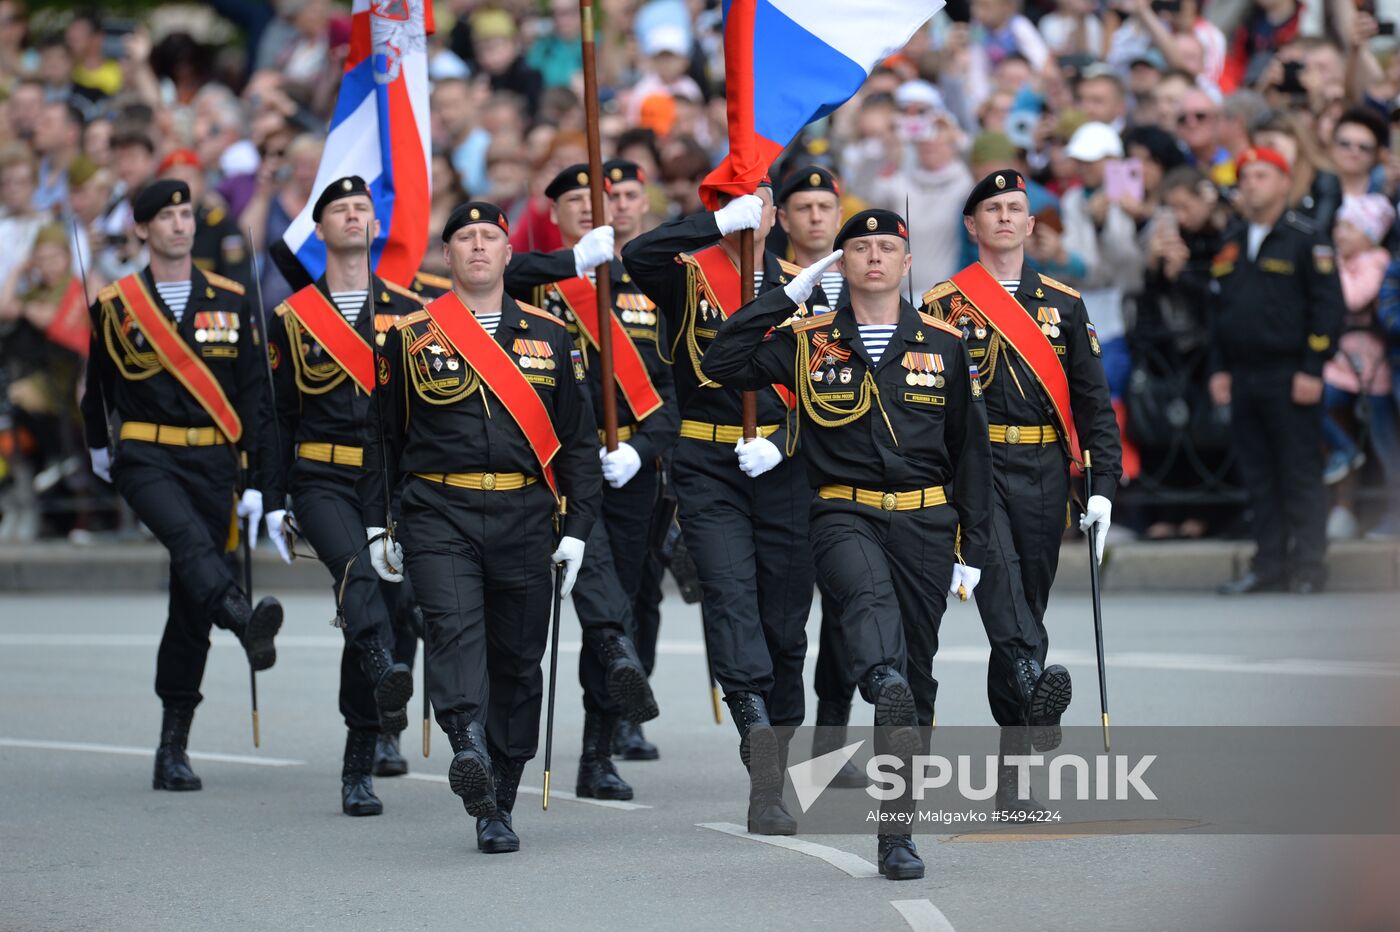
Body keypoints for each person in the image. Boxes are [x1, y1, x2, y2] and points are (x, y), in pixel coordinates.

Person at [703, 209, 991, 880]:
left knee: (917, 685)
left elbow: (969, 451)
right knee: (863, 604)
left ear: (907, 262)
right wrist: (784, 297)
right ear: (841, 262)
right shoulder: (809, 339)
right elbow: (722, 362)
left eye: (887, 247)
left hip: (923, 520)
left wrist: (973, 547)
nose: (873, 258)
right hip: (842, 511)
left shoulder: (944, 344)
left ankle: (897, 835)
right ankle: (877, 677)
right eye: (859, 247)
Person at [360, 201, 601, 855]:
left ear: (507, 253)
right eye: (463, 238)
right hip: (439, 509)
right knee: (452, 631)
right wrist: (378, 526)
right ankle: (469, 753)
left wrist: (577, 528)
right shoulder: (410, 335)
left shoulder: (551, 336)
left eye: (489, 237)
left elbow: (579, 444)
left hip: (526, 514)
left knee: (520, 662)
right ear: (447, 256)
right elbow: (383, 439)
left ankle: (502, 791)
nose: (476, 247)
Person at [621, 182, 815, 836]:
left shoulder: (800, 282)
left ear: (775, 214)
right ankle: (759, 753)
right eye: (737, 199)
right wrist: (711, 223)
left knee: (785, 623)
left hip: (782, 462)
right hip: (708, 463)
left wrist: (787, 441)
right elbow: (640, 256)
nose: (750, 213)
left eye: (757, 201)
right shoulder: (688, 275)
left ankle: (779, 760)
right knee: (731, 596)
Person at [921, 169, 1121, 798]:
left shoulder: (1063, 302)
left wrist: (1104, 486)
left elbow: (1094, 404)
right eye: (992, 208)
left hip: (1042, 472)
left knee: (1023, 609)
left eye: (1016, 208)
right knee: (1003, 592)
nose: (1005, 217)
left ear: (1032, 225)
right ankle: (1034, 685)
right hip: (976, 474)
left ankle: (1013, 776)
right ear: (972, 225)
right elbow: (927, 407)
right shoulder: (942, 303)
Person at [80, 179, 282, 793]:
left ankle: (173, 747)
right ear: (142, 228)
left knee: (188, 602)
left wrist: (258, 481)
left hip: (214, 462)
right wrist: (98, 449)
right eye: (165, 216)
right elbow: (99, 387)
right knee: (191, 549)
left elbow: (254, 394)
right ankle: (241, 614)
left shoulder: (230, 294)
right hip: (146, 454)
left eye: (186, 213)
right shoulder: (116, 303)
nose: (178, 224)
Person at [500, 162, 670, 801]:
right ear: (555, 215)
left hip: (625, 464)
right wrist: (570, 262)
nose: (585, 208)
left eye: (594, 200)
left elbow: (673, 389)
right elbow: (499, 274)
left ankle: (597, 755)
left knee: (621, 602)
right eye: (570, 201)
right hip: (550, 463)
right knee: (595, 594)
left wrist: (643, 446)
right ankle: (612, 657)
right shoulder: (536, 280)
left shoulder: (644, 286)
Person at [262, 176, 423, 816]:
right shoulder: (293, 319)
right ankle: (360, 756)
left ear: (374, 227)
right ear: (320, 230)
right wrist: (272, 497)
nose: (355, 217)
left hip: (392, 485)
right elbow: (278, 417)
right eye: (340, 210)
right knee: (359, 585)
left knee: (393, 604)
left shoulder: (412, 313)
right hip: (324, 478)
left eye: (363, 209)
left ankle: (378, 722)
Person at [1211, 148, 1344, 594]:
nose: (1251, 183)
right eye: (1246, 176)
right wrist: (1219, 369)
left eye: (1262, 175)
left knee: (1299, 472)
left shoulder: (1307, 237)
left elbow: (1328, 308)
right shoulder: (1231, 238)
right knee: (1259, 476)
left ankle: (1309, 567)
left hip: (1290, 374)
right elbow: (1219, 312)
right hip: (1244, 375)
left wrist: (1313, 366)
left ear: (1285, 182)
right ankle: (1268, 565)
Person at [157, 148, 253, 288]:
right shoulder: (151, 224)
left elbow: (237, 282)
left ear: (203, 183)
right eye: (173, 180)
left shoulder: (221, 225)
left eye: (188, 179)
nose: (180, 187)